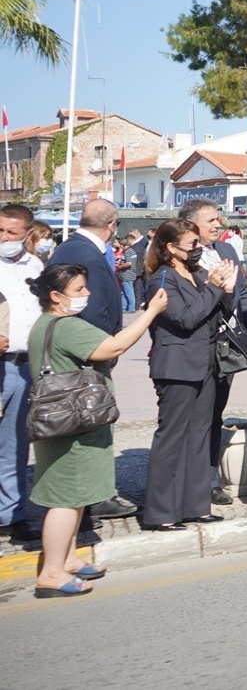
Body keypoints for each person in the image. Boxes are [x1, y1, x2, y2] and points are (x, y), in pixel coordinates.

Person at [26, 264, 167, 597]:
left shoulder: (46, 324)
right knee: (65, 500)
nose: (86, 294)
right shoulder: (66, 326)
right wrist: (150, 313)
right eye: (78, 290)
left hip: (67, 422)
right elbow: (113, 348)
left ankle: (67, 559)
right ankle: (51, 573)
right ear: (56, 297)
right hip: (73, 426)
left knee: (74, 497)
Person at [141, 218, 237, 531]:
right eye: (192, 244)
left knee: (199, 434)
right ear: (171, 248)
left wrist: (228, 291)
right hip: (177, 367)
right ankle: (162, 511)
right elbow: (185, 318)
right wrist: (213, 286)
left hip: (206, 364)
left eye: (198, 242)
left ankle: (196, 505)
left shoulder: (196, 274)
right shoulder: (162, 279)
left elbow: (217, 313)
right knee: (172, 437)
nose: (198, 248)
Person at [46, 199, 137, 521]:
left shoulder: (78, 247)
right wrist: (103, 346)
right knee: (90, 426)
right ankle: (91, 499)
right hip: (85, 357)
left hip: (87, 351)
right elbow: (92, 307)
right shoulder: (84, 253)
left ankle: (89, 498)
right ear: (112, 225)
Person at [180, 197, 247, 507]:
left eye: (218, 219)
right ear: (192, 223)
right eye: (210, 220)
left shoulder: (225, 250)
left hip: (227, 345)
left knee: (214, 414)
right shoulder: (184, 256)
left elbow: (244, 291)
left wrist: (244, 321)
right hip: (197, 344)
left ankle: (210, 477)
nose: (218, 224)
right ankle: (187, 479)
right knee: (191, 417)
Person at [0, 204, 44, 541]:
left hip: (24, 365)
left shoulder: (36, 265)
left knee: (15, 444)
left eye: (11, 233)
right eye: (0, 231)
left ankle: (9, 514)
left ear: (28, 234)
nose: (4, 238)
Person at [116, 238, 138, 313]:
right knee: (124, 292)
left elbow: (129, 263)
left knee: (129, 292)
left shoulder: (128, 252)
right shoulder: (131, 251)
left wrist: (120, 267)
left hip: (128, 274)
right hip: (127, 274)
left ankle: (131, 308)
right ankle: (123, 308)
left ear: (122, 246)